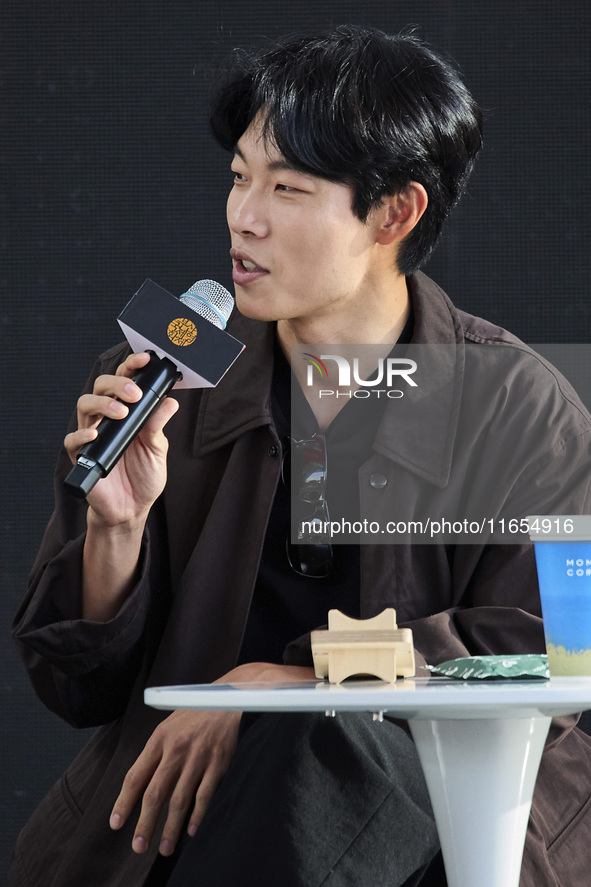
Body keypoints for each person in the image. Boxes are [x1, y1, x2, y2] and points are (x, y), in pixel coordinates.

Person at [11, 24, 591, 887]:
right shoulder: (165, 378)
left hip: (432, 811)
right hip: (185, 819)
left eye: (286, 188)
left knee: (313, 746)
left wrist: (292, 681)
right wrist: (115, 533)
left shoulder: (517, 403)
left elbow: (561, 647)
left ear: (393, 212)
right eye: (239, 177)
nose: (243, 217)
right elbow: (75, 689)